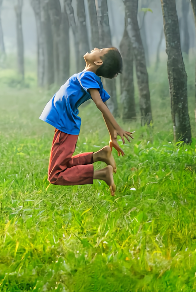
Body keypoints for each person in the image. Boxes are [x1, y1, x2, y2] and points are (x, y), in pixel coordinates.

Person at [40, 47, 133, 196]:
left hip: (65, 125)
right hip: (65, 124)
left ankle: (102, 174)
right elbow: (104, 105)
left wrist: (117, 128)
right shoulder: (91, 78)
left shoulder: (89, 76)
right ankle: (100, 155)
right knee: (63, 164)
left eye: (100, 50)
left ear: (98, 61)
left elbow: (100, 104)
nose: (95, 48)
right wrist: (112, 137)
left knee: (55, 175)